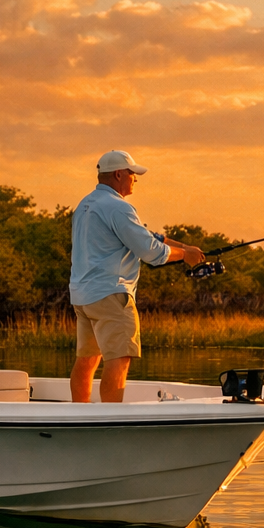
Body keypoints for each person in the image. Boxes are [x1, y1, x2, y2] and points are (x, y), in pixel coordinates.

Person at [69, 150, 204, 402]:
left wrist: (185, 247)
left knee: (87, 359)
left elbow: (148, 236)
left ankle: (80, 414)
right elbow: (151, 252)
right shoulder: (119, 207)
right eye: (132, 174)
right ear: (119, 174)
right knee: (118, 360)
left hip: (83, 296)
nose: (135, 179)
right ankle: (109, 422)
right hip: (111, 295)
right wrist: (184, 257)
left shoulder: (85, 206)